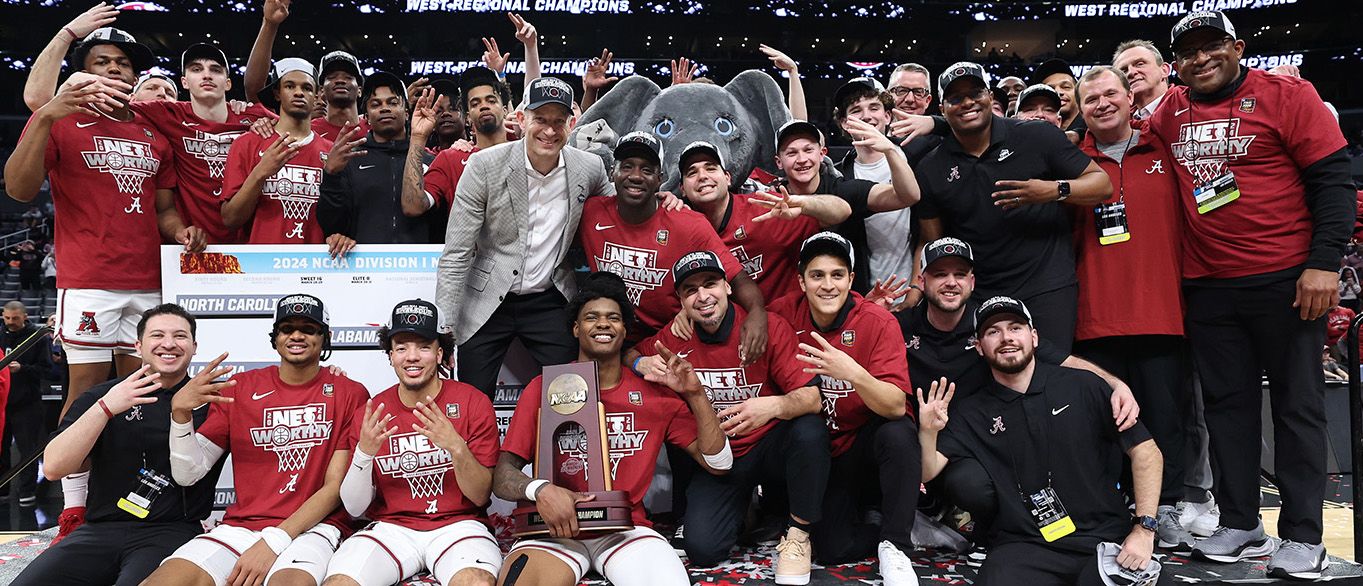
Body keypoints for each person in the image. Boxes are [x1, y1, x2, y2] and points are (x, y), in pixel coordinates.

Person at [1148, 11, 1355, 578]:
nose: (1201, 59)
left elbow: (1333, 182)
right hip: (1209, 286)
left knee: (1297, 407)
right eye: (1188, 52)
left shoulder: (1288, 94)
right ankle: (1240, 521)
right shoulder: (1171, 110)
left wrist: (1323, 264)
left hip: (1286, 280)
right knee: (1227, 409)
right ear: (1177, 63)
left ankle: (1303, 535)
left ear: (1237, 47)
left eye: (1212, 46)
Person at [5, 22, 204, 540]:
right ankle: (73, 507)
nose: (114, 68)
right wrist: (47, 112)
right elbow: (19, 187)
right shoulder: (62, 121)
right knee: (87, 395)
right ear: (81, 72)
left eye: (123, 63)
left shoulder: (152, 130)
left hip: (148, 282)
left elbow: (163, 208)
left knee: (147, 395)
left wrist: (179, 229)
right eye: (102, 61)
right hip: (90, 279)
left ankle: (132, 501)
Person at [491, 272, 730, 586]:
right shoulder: (542, 388)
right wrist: (540, 490)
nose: (603, 324)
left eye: (613, 318)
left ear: (625, 329)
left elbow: (720, 463)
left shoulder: (654, 393)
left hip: (625, 528)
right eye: (591, 317)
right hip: (555, 528)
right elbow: (502, 476)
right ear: (576, 328)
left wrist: (695, 394)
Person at [918, 297, 1168, 586]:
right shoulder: (971, 411)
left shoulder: (1084, 385)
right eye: (992, 331)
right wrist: (928, 431)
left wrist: (1144, 530)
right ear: (978, 346)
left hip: (1105, 540)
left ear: (1034, 337)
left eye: (1015, 327)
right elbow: (927, 471)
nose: (1006, 338)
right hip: (1025, 545)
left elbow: (1146, 452)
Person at [625, 250, 825, 583]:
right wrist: (637, 363)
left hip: (771, 443)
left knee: (809, 430)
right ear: (681, 301)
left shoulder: (765, 327)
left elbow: (814, 397)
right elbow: (630, 351)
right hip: (722, 456)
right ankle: (744, 510)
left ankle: (798, 532)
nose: (703, 296)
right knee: (702, 548)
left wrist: (770, 406)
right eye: (690, 290)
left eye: (710, 284)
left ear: (728, 287)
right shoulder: (675, 337)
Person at [149, 294, 368, 586]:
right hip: (242, 527)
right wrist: (180, 414)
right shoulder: (241, 388)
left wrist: (275, 540)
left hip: (314, 527)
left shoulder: (349, 392)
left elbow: (335, 488)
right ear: (275, 337)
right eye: (287, 328)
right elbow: (189, 473)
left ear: (324, 337)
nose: (297, 336)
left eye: (308, 328)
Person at [12, 304, 226, 586]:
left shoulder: (213, 402)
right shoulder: (103, 395)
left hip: (171, 529)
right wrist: (106, 408)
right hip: (101, 529)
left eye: (180, 336)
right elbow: (53, 468)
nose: (169, 344)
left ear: (194, 346)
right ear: (138, 345)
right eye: (157, 335)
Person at [913, 61, 1112, 355]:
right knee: (995, 383)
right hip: (981, 292)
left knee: (1052, 375)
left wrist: (1052, 190)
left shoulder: (1035, 136)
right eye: (956, 98)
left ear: (990, 98)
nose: (968, 102)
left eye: (975, 93)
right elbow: (932, 241)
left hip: (1047, 284)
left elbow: (1101, 184)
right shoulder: (931, 167)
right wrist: (916, 289)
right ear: (942, 109)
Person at [1073, 65, 1193, 550]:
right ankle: (1109, 508)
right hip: (1094, 315)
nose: (1101, 104)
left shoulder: (1164, 145)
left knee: (1166, 419)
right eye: (1090, 99)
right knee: (1104, 423)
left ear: (1129, 98)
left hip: (1161, 311)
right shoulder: (1068, 160)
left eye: (1110, 94)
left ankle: (1165, 510)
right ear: (1079, 110)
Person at [437, 77, 614, 395]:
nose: (549, 130)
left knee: (569, 396)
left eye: (559, 122)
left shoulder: (589, 168)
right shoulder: (483, 166)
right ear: (521, 119)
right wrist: (443, 327)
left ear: (571, 124)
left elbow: (621, 211)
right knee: (472, 400)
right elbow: (457, 251)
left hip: (550, 299)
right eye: (541, 120)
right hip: (488, 297)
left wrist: (666, 203)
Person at [766, 232, 919, 584]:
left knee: (899, 433)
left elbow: (896, 406)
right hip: (817, 456)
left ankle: (896, 543)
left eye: (837, 275)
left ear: (852, 280)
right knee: (834, 548)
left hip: (861, 445)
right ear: (801, 280)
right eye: (817, 275)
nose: (827, 285)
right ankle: (881, 523)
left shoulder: (878, 321)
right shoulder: (781, 314)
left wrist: (854, 373)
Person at [323, 300, 501, 586]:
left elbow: (480, 496)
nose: (412, 357)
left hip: (459, 526)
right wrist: (364, 454)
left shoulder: (472, 402)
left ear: (440, 353)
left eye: (424, 347)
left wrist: (456, 447)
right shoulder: (373, 412)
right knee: (340, 582)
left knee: (475, 581)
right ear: (390, 355)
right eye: (402, 347)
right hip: (391, 528)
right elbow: (355, 508)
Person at [579, 132, 768, 349]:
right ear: (613, 173)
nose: (636, 176)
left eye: (647, 170)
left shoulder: (689, 224)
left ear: (660, 179)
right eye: (627, 166)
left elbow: (737, 278)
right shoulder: (591, 212)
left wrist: (757, 313)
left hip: (667, 338)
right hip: (608, 333)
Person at [677, 140, 849, 303]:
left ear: (728, 178)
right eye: (692, 172)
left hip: (789, 321)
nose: (702, 176)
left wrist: (804, 203)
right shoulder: (682, 227)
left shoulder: (763, 207)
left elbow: (842, 211)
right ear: (682, 189)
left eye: (711, 168)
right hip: (728, 326)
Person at [221, 57, 353, 255]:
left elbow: (343, 221)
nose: (299, 92)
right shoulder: (247, 143)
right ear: (277, 93)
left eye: (307, 88)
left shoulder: (332, 153)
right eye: (290, 86)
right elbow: (230, 220)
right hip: (262, 271)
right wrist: (260, 174)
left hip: (317, 269)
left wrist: (342, 235)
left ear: (317, 95)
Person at [775, 119, 919, 295]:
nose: (802, 159)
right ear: (778, 162)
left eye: (808, 150)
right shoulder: (771, 199)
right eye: (791, 153)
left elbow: (908, 196)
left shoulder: (845, 189)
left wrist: (890, 150)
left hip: (847, 302)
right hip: (790, 301)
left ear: (822, 154)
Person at [319, 71, 444, 244]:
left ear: (407, 113)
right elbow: (332, 224)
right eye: (376, 104)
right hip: (366, 267)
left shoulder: (430, 161)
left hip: (419, 266)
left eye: (393, 102)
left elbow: (441, 224)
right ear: (367, 118)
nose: (385, 108)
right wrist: (330, 175)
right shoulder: (351, 159)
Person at [403, 66, 514, 232]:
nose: (483, 106)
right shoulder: (450, 159)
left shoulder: (525, 152)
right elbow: (413, 206)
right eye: (475, 103)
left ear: (505, 110)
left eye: (491, 100)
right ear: (468, 116)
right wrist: (418, 137)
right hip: (470, 256)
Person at [832, 77, 917, 291]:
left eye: (874, 107)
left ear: (887, 116)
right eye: (856, 110)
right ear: (844, 123)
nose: (867, 116)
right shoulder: (837, 175)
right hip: (863, 291)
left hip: (916, 290)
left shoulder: (916, 155)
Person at [0, 302, 53, 507]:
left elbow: (48, 370)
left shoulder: (37, 336)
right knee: (1, 448)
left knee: (28, 450)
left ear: (25, 316)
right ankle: (3, 490)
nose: (10, 322)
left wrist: (22, 368)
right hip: (3, 402)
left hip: (27, 402)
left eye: (15, 318)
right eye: (7, 318)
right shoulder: (1, 334)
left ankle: (27, 492)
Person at [1112, 40, 1171, 121]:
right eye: (1124, 71)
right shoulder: (1118, 124)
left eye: (1140, 64)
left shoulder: (1191, 105)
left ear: (1164, 70)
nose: (1131, 72)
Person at [1032, 58, 1085, 134]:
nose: (1058, 92)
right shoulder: (1037, 131)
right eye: (1050, 89)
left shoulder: (1094, 126)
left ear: (1077, 91)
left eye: (1066, 87)